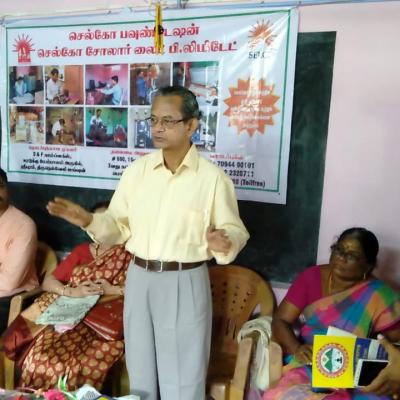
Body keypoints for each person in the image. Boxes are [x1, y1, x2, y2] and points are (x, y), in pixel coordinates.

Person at [46, 85, 249, 400]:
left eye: (168, 121)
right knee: (140, 372)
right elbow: (117, 227)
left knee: (183, 378)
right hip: (138, 278)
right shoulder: (137, 172)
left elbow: (234, 230)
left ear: (192, 125)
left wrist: (223, 242)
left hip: (185, 279)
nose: (157, 128)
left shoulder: (212, 179)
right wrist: (88, 220)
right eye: (153, 120)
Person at [2, 202, 132, 391]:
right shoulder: (82, 251)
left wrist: (111, 290)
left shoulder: (132, 255)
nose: (105, 231)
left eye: (110, 224)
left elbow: (146, 291)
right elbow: (49, 282)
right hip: (68, 317)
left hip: (104, 326)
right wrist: (71, 291)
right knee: (40, 357)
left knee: (83, 365)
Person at [263, 227, 400, 400]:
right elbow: (280, 320)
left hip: (355, 373)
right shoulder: (311, 278)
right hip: (310, 363)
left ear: (368, 265)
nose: (340, 258)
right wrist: (296, 348)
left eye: (351, 255)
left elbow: (394, 345)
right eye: (338, 250)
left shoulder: (379, 295)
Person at [0, 168, 38, 335]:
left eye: (0, 186)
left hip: (15, 299)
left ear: (7, 189)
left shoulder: (23, 225)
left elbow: (9, 282)